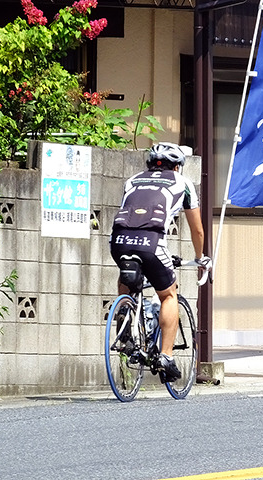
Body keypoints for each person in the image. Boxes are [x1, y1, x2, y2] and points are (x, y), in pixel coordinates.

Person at [109, 142, 210, 383]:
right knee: (168, 295)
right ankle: (166, 356)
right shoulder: (182, 183)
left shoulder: (132, 181)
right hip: (152, 243)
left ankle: (125, 327)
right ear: (177, 166)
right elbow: (197, 230)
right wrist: (200, 257)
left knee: (127, 282)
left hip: (117, 241)